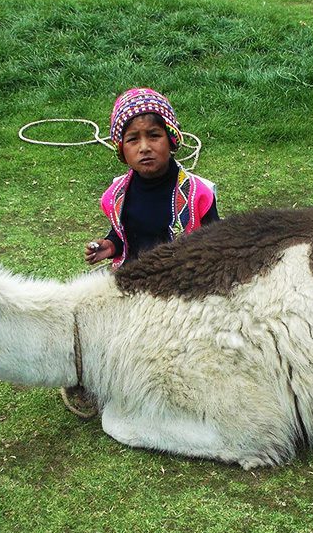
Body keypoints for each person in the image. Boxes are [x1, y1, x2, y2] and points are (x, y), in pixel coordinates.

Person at [61, 87, 220, 418]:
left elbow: (216, 241)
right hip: (132, 283)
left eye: (154, 135)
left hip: (181, 288)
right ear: (122, 150)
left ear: (172, 139)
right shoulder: (119, 193)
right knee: (103, 330)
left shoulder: (196, 194)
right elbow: (122, 234)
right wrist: (109, 246)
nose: (145, 147)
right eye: (133, 139)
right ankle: (92, 376)